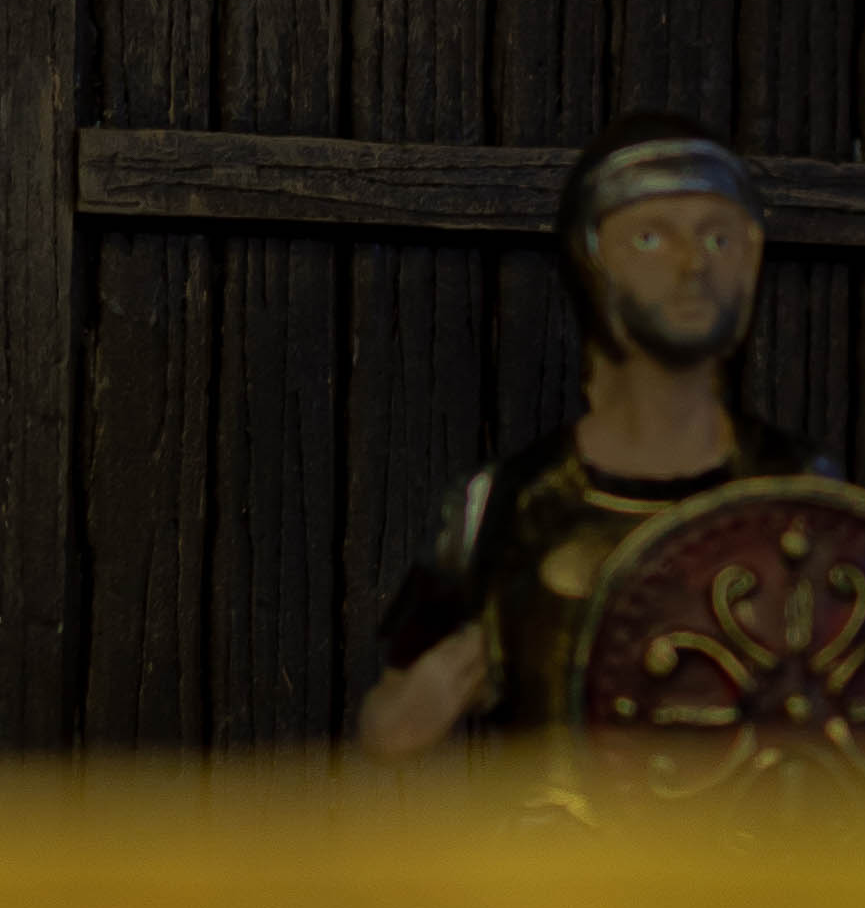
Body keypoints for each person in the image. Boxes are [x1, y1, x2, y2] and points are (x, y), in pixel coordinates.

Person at [356, 115, 833, 764]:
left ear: (748, 257)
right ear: (592, 260)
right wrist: (449, 680)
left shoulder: (804, 491)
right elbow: (391, 724)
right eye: (651, 237)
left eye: (717, 237)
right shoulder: (505, 504)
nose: (693, 263)